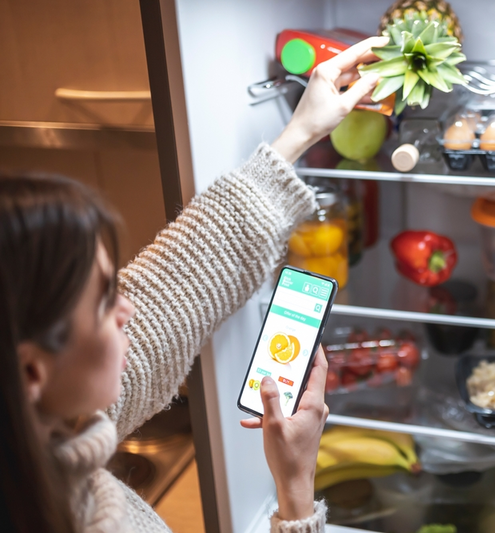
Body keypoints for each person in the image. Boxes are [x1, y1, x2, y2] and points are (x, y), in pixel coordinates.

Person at [0, 36, 388, 533]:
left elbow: (172, 292)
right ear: (31, 371)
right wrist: (296, 488)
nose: (128, 308)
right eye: (103, 302)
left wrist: (299, 133)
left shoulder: (44, 430)